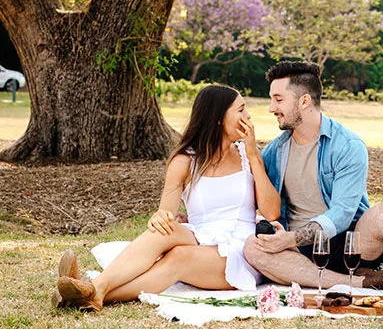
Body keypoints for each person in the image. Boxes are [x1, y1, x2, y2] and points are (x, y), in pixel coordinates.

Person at [244, 62, 383, 307]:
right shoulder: (275, 151)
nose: (271, 108)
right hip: (300, 253)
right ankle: (364, 282)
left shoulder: (347, 145)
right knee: (251, 249)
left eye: (278, 99)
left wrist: (289, 239)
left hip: (350, 242)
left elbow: (341, 214)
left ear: (304, 101)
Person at [52, 84, 280, 311]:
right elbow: (166, 215)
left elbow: (271, 213)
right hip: (201, 235)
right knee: (164, 228)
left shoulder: (247, 156)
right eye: (241, 110)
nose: (247, 116)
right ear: (219, 117)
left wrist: (252, 155)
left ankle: (90, 290)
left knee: (180, 256)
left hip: (240, 249)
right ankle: (94, 290)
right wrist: (160, 218)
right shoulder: (184, 161)